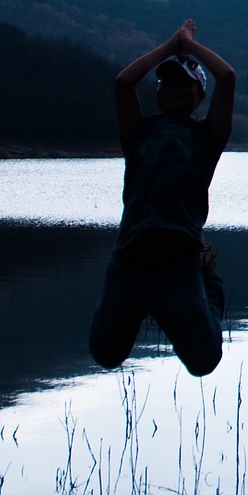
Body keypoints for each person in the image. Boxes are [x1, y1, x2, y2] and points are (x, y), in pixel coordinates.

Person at [89, 20, 236, 376]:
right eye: (165, 82)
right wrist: (170, 48)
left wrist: (187, 44)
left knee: (204, 362)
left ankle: (209, 282)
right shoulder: (139, 133)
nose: (170, 88)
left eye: (182, 83)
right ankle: (149, 304)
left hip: (181, 263)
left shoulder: (207, 138)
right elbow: (123, 82)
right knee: (105, 355)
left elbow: (227, 77)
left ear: (199, 95)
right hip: (130, 260)